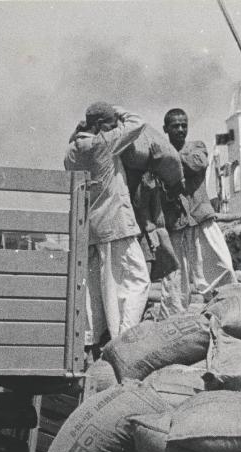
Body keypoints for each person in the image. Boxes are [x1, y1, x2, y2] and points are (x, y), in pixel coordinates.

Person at [64, 102, 150, 352]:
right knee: (136, 279)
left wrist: (81, 126)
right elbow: (137, 122)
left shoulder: (71, 151)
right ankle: (124, 338)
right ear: (101, 126)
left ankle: (90, 342)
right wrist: (117, 109)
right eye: (111, 123)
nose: (116, 127)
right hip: (116, 225)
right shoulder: (104, 142)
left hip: (90, 229)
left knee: (98, 290)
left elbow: (74, 146)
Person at [160, 108, 236, 317]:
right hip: (175, 224)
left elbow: (198, 163)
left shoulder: (196, 147)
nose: (181, 129)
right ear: (165, 129)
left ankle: (228, 310)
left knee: (221, 267)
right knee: (175, 281)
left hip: (200, 219)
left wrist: (166, 158)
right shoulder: (159, 154)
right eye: (175, 126)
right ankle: (173, 320)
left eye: (184, 125)